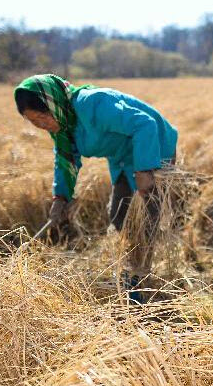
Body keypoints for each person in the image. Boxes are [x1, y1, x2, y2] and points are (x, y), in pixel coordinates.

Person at [14, 74, 177, 303]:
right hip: (122, 158)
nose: (43, 126)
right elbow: (65, 159)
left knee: (147, 218)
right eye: (34, 123)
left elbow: (144, 124)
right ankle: (134, 263)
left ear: (52, 103)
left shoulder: (94, 104)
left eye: (42, 117)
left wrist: (145, 171)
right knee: (119, 216)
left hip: (154, 149)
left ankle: (141, 279)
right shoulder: (63, 127)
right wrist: (61, 197)